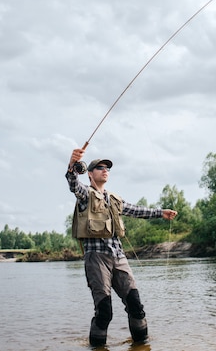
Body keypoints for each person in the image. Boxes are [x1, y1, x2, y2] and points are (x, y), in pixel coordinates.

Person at [66, 148, 178, 346]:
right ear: (90, 173)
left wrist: (161, 213)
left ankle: (142, 345)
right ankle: (97, 347)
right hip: (97, 259)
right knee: (104, 311)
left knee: (135, 305)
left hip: (119, 257)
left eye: (107, 167)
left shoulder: (113, 199)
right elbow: (73, 183)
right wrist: (72, 164)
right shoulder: (85, 194)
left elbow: (136, 210)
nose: (105, 170)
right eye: (99, 167)